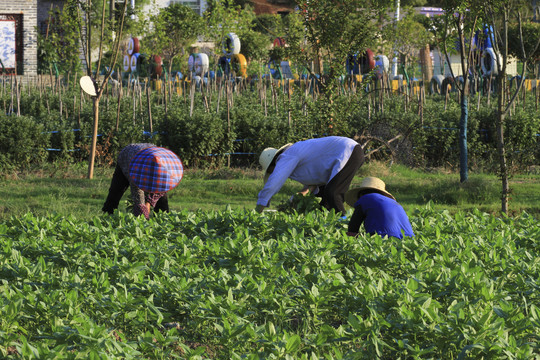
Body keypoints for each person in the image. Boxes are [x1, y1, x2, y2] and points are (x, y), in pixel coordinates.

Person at [256, 136, 364, 215]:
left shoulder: (287, 156)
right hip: (349, 153)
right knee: (324, 203)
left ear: (274, 162)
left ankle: (345, 227)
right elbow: (314, 183)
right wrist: (299, 195)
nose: (273, 172)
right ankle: (328, 230)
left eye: (271, 170)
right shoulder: (296, 156)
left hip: (348, 151)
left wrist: (260, 207)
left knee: (333, 194)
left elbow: (274, 183)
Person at [102, 143, 183, 219]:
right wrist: (143, 212)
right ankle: (107, 216)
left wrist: (149, 202)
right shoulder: (136, 170)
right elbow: (138, 197)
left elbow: (162, 188)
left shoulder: (165, 166)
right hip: (127, 157)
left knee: (162, 201)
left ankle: (163, 219)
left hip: (150, 153)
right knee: (117, 190)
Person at [344, 177, 414, 239]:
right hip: (408, 240)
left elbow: (353, 226)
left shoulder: (365, 198)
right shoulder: (395, 204)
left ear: (361, 194)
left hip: (384, 238)